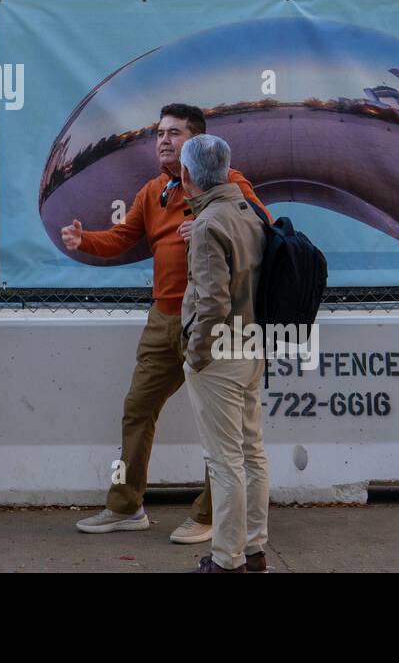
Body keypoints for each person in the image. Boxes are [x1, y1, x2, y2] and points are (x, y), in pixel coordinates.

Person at [67, 104, 268, 543]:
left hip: (217, 322)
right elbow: (120, 238)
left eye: (173, 133)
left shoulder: (229, 187)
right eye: (159, 132)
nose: (162, 140)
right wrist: (84, 240)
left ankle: (209, 515)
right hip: (164, 319)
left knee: (223, 428)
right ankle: (125, 506)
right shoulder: (153, 190)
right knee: (137, 409)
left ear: (194, 142)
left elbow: (261, 229)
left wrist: (207, 224)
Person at [179, 134, 270, 573]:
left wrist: (195, 354)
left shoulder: (208, 223)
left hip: (219, 355)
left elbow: (212, 302)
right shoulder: (246, 211)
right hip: (251, 346)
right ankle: (252, 552)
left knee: (225, 461)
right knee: (252, 454)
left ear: (186, 175)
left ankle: (225, 560)